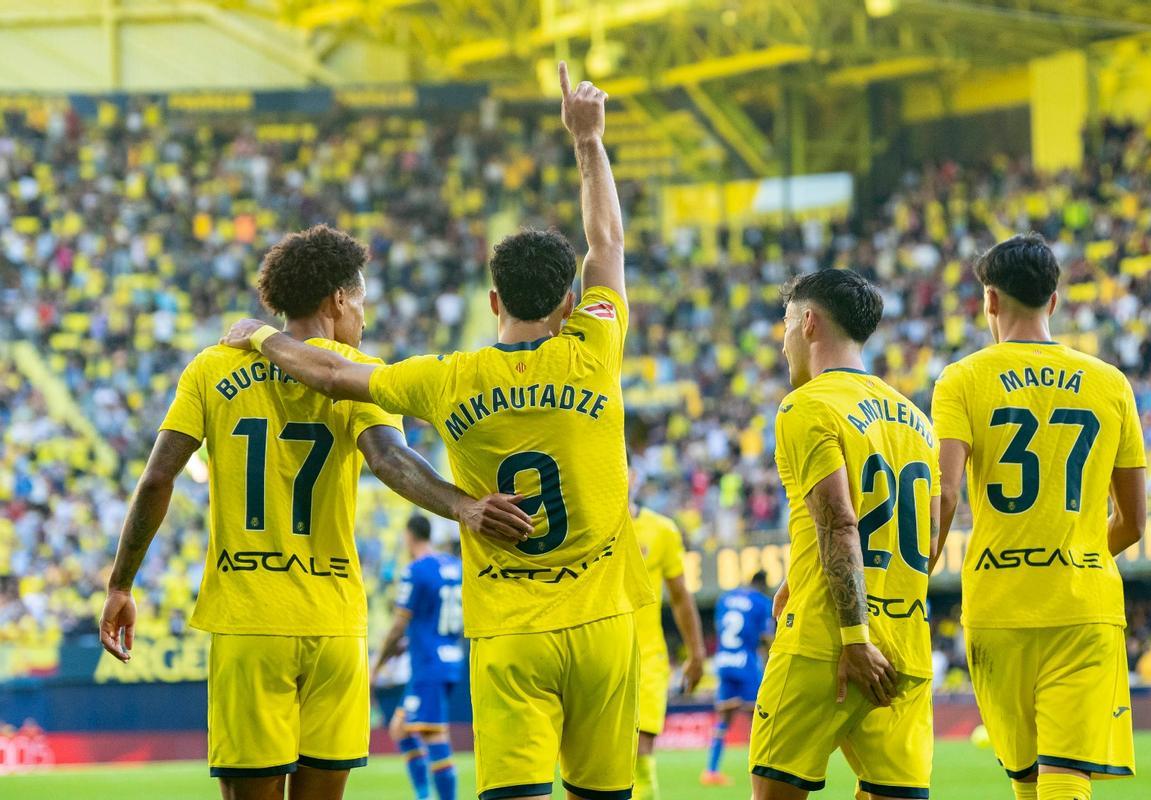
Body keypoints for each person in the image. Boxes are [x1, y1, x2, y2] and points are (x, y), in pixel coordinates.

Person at [220, 62, 654, 800]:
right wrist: (588, 142)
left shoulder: (446, 377)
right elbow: (606, 238)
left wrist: (259, 337)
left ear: (492, 299)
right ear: (573, 301)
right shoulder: (596, 348)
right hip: (607, 619)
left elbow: (330, 374)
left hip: (509, 630)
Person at [98, 225, 530, 800]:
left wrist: (121, 584)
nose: (364, 319)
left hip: (248, 619)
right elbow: (389, 459)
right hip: (334, 624)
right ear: (338, 300)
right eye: (363, 304)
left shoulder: (211, 368)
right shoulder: (356, 373)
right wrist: (463, 506)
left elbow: (157, 478)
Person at [931, 233, 1146, 800]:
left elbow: (945, 497)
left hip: (997, 605)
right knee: (1066, 779)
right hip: (1083, 605)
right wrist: (1073, 547)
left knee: (1026, 783)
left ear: (990, 300)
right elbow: (1134, 522)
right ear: (1053, 301)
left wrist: (911, 577)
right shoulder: (1111, 384)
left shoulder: (961, 378)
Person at [750, 269, 940, 800]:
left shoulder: (807, 405)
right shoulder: (914, 417)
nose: (784, 340)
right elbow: (929, 530)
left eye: (786, 323)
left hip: (826, 643)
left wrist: (855, 638)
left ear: (808, 322)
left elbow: (839, 520)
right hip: (905, 647)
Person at [372, 513, 464, 800]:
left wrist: (378, 663)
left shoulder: (415, 570)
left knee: (434, 734)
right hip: (449, 656)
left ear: (409, 536)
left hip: (428, 665)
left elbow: (399, 624)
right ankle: (423, 796)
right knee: (401, 727)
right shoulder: (454, 565)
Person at [629, 485, 705, 800]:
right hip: (597, 653)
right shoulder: (590, 524)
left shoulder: (661, 530)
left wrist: (697, 653)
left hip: (647, 657)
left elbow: (679, 596)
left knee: (640, 750)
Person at [703, 569, 773, 787]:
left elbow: (719, 628)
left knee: (724, 717)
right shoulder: (761, 601)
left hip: (723, 661)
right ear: (762, 584)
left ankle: (711, 771)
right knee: (759, 716)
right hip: (746, 662)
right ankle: (763, 771)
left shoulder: (725, 598)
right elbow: (766, 637)